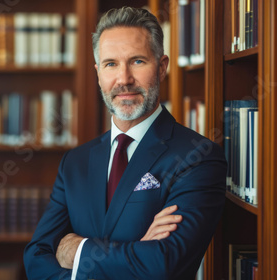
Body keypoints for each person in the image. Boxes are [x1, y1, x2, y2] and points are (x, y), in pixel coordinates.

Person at [24, 6, 227, 280]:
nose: (124, 79)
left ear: (162, 66)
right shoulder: (75, 162)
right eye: (111, 64)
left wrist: (78, 251)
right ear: (98, 73)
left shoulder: (198, 157)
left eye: (138, 61)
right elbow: (36, 257)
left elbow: (163, 264)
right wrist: (137, 251)